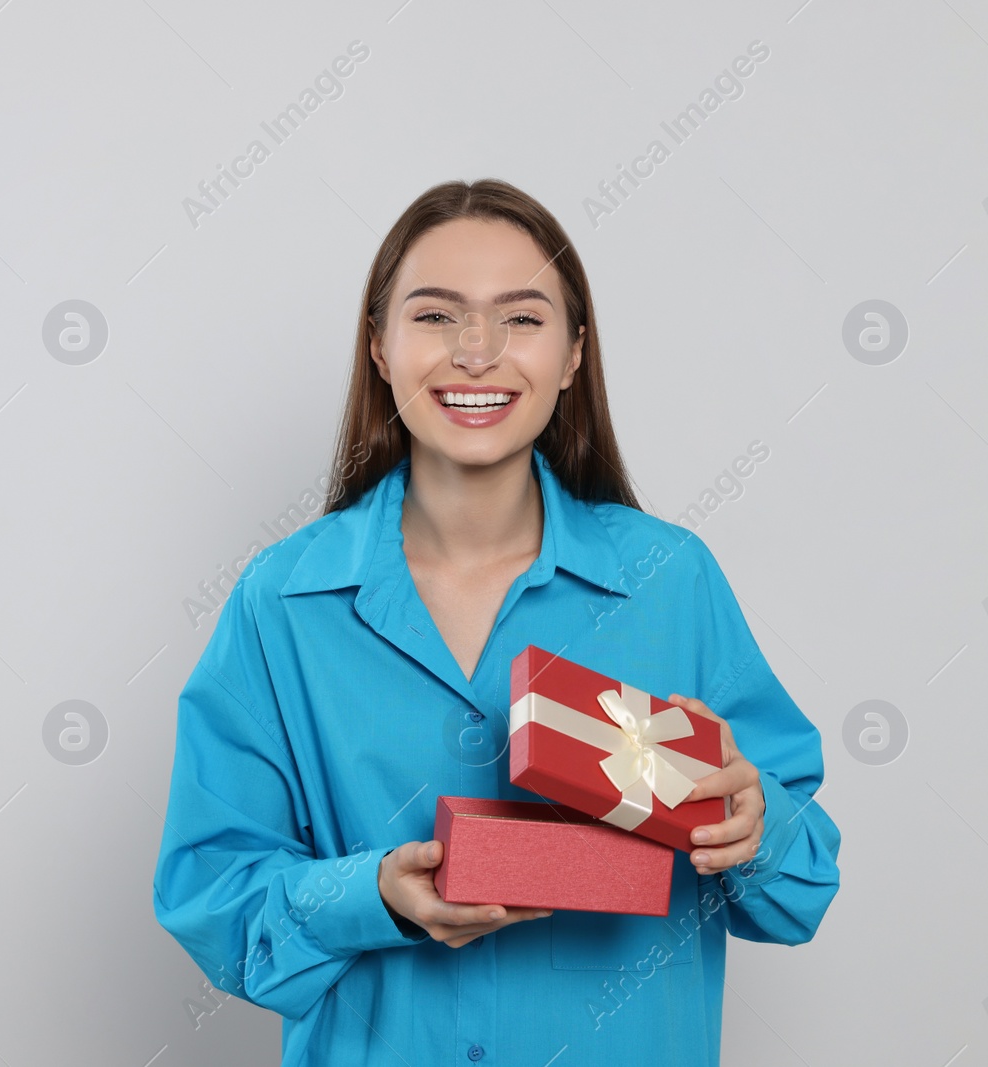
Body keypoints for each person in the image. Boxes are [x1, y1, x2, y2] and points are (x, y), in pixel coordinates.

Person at [151, 178, 841, 1065]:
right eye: (436, 317)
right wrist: (376, 897)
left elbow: (801, 889)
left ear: (574, 353)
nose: (477, 353)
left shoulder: (670, 582)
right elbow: (211, 901)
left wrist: (756, 822)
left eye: (521, 318)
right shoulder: (282, 601)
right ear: (378, 346)